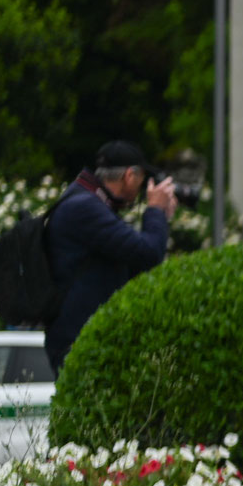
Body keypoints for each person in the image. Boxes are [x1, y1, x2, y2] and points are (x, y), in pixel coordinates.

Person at [45, 141, 175, 372]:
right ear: (129, 176)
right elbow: (149, 254)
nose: (142, 187)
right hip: (77, 342)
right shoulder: (86, 208)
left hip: (82, 338)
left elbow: (133, 266)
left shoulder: (87, 202)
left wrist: (161, 217)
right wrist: (155, 210)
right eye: (141, 179)